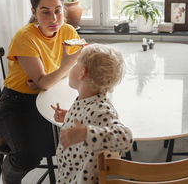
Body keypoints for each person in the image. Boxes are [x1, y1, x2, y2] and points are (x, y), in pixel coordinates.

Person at [0, 0, 83, 184]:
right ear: (34, 12)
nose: (53, 19)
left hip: (47, 99)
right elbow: (51, 79)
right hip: (17, 104)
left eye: (58, 11)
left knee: (66, 141)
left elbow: (70, 76)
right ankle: (8, 173)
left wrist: (48, 80)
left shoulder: (68, 31)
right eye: (45, 12)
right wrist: (63, 68)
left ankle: (5, 139)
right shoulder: (25, 37)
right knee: (29, 155)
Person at [52, 43, 133, 184]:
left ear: (82, 73)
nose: (72, 67)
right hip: (69, 175)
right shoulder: (87, 101)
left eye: (76, 63)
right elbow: (87, 119)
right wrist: (68, 116)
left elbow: (125, 137)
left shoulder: (101, 111)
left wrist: (85, 134)